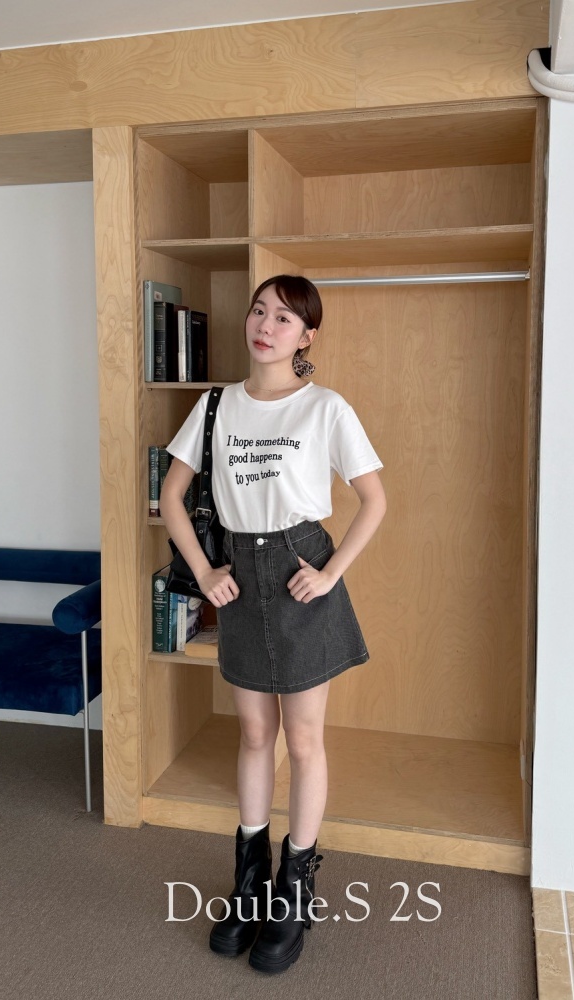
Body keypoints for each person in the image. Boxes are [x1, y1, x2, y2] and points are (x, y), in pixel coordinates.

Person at [159, 274, 386, 974]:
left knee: (304, 738)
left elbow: (374, 500)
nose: (266, 325)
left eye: (285, 318)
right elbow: (172, 494)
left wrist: (331, 572)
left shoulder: (325, 407)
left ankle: (294, 889)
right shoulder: (215, 405)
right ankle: (250, 882)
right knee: (255, 733)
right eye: (260, 311)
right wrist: (204, 573)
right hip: (239, 574)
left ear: (306, 336)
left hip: (298, 571)